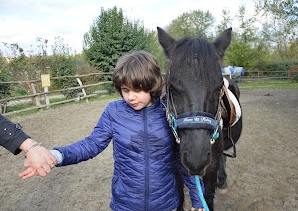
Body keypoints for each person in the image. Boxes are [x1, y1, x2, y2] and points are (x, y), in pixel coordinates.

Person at [20, 51, 204, 211]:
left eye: (138, 90)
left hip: (165, 204)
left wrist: (198, 198)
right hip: (125, 204)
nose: (130, 97)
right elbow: (91, 145)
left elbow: (183, 159)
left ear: (153, 85)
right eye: (125, 90)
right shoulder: (114, 111)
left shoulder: (169, 113)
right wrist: (56, 156)